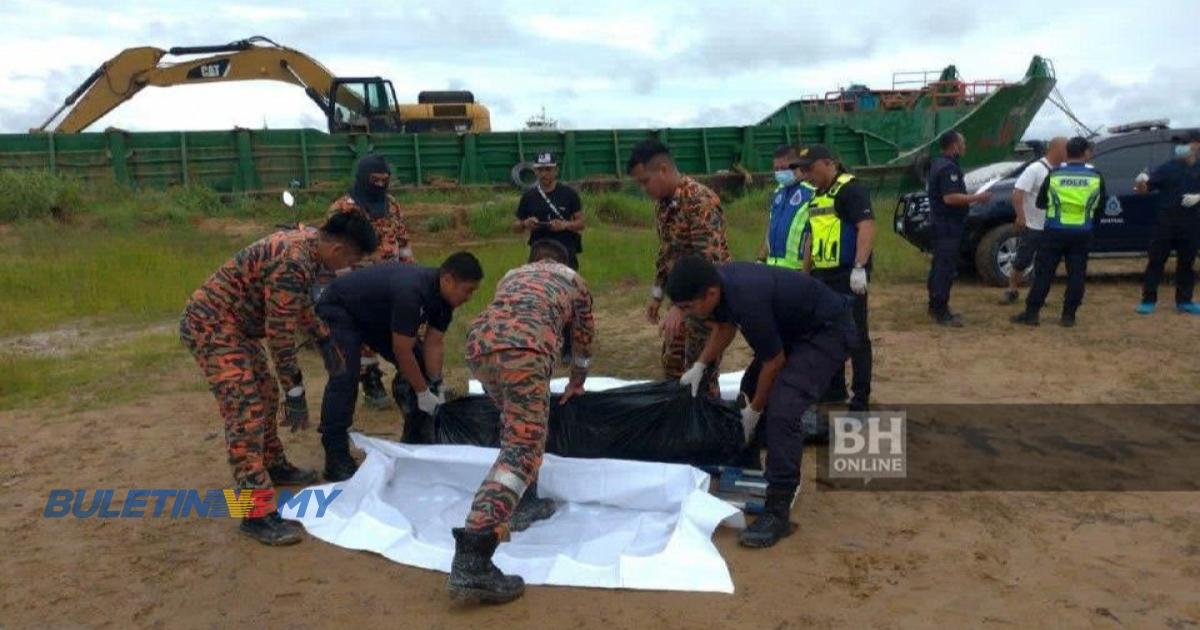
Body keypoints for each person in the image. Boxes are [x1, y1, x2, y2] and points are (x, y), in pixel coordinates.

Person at [180, 213, 378, 545]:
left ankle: (272, 464)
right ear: (340, 248)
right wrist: (296, 390)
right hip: (211, 325)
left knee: (266, 395)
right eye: (352, 260)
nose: (348, 268)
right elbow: (280, 333)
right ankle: (253, 513)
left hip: (236, 327)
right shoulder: (294, 260)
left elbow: (295, 302)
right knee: (246, 414)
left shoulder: (312, 248)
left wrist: (323, 337)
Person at [666, 256, 856, 549]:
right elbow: (724, 327)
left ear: (710, 294)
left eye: (688, 307)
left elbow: (774, 361)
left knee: (783, 409)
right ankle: (748, 460)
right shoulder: (719, 284)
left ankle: (778, 510)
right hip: (797, 328)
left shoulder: (746, 297)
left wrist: (754, 411)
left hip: (828, 332)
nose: (686, 314)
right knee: (750, 385)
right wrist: (701, 365)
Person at [448, 239, 595, 604]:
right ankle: (474, 558)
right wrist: (578, 379)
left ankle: (524, 499)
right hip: (525, 349)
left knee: (516, 430)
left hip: (479, 346)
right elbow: (583, 338)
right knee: (523, 448)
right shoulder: (574, 281)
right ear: (565, 261)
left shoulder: (512, 276)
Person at [315, 254, 483, 481]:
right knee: (345, 376)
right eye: (468, 289)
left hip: (376, 315)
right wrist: (422, 392)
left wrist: (434, 384)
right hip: (340, 309)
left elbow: (433, 344)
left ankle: (417, 435)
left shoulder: (444, 301)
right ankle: (335, 455)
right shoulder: (412, 292)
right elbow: (401, 349)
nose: (470, 297)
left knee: (421, 367)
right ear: (448, 280)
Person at [627, 138, 731, 397]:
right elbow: (667, 253)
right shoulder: (664, 205)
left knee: (700, 372)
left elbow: (709, 263)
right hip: (683, 302)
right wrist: (657, 294)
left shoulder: (699, 201)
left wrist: (680, 307)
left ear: (663, 170)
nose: (644, 189)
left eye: (645, 181)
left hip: (704, 304)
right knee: (673, 368)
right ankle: (681, 426)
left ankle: (706, 430)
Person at [325, 154, 416, 411]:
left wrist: (411, 272)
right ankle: (371, 381)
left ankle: (409, 376)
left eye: (384, 180)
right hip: (360, 281)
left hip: (394, 279)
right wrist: (346, 285)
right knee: (364, 332)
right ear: (363, 179)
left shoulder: (392, 204)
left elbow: (404, 242)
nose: (380, 184)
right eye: (374, 180)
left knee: (403, 327)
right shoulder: (343, 208)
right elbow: (335, 250)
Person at [799, 145, 876, 411]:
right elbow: (811, 237)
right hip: (822, 276)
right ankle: (833, 389)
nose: (807, 174)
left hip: (847, 276)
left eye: (811, 168)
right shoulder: (818, 196)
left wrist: (859, 267)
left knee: (855, 335)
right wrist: (805, 275)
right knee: (828, 335)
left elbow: (866, 227)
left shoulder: (850, 190)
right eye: (805, 169)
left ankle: (861, 396)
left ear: (829, 163)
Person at [1012, 136, 1107, 327]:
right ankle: (1068, 316)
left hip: (1054, 230)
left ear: (1068, 152)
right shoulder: (1096, 177)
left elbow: (1040, 203)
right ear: (1085, 153)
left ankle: (1032, 314)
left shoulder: (1054, 175)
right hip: (1082, 231)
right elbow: (1100, 207)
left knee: (1044, 273)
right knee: (1076, 274)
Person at [926, 131, 992, 326]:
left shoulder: (938, 164)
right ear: (954, 145)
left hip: (941, 223)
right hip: (947, 225)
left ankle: (934, 305)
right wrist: (976, 198)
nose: (965, 146)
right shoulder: (948, 169)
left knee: (939, 265)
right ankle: (941, 311)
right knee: (945, 268)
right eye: (963, 143)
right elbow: (950, 198)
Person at [1135, 130, 1200, 315]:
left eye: (1185, 143)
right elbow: (1144, 189)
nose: (1180, 147)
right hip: (1165, 223)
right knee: (1156, 261)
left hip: (1191, 223)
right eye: (1178, 144)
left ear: (1197, 145)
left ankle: (1185, 301)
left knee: (1186, 263)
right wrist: (1141, 182)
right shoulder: (1167, 168)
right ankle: (1148, 300)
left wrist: (1199, 197)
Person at [1002, 137, 1069, 304]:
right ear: (1055, 149)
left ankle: (1038, 294)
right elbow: (1018, 193)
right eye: (1065, 149)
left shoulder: (1063, 170)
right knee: (1022, 260)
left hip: (1052, 225)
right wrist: (1021, 216)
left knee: (1045, 262)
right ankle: (1012, 289)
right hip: (1033, 224)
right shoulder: (1035, 169)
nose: (1068, 152)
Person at [513, 150, 585, 269]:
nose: (544, 174)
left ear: (556, 171)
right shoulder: (528, 196)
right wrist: (525, 223)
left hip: (565, 250)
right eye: (540, 170)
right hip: (539, 251)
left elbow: (581, 223)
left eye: (548, 169)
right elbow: (515, 227)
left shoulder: (569, 194)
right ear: (535, 171)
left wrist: (565, 225)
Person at [757, 144, 816, 268]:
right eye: (776, 169)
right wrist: (761, 259)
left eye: (783, 168)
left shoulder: (812, 193)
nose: (779, 173)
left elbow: (814, 236)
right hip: (773, 266)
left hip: (797, 268)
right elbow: (770, 226)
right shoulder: (778, 192)